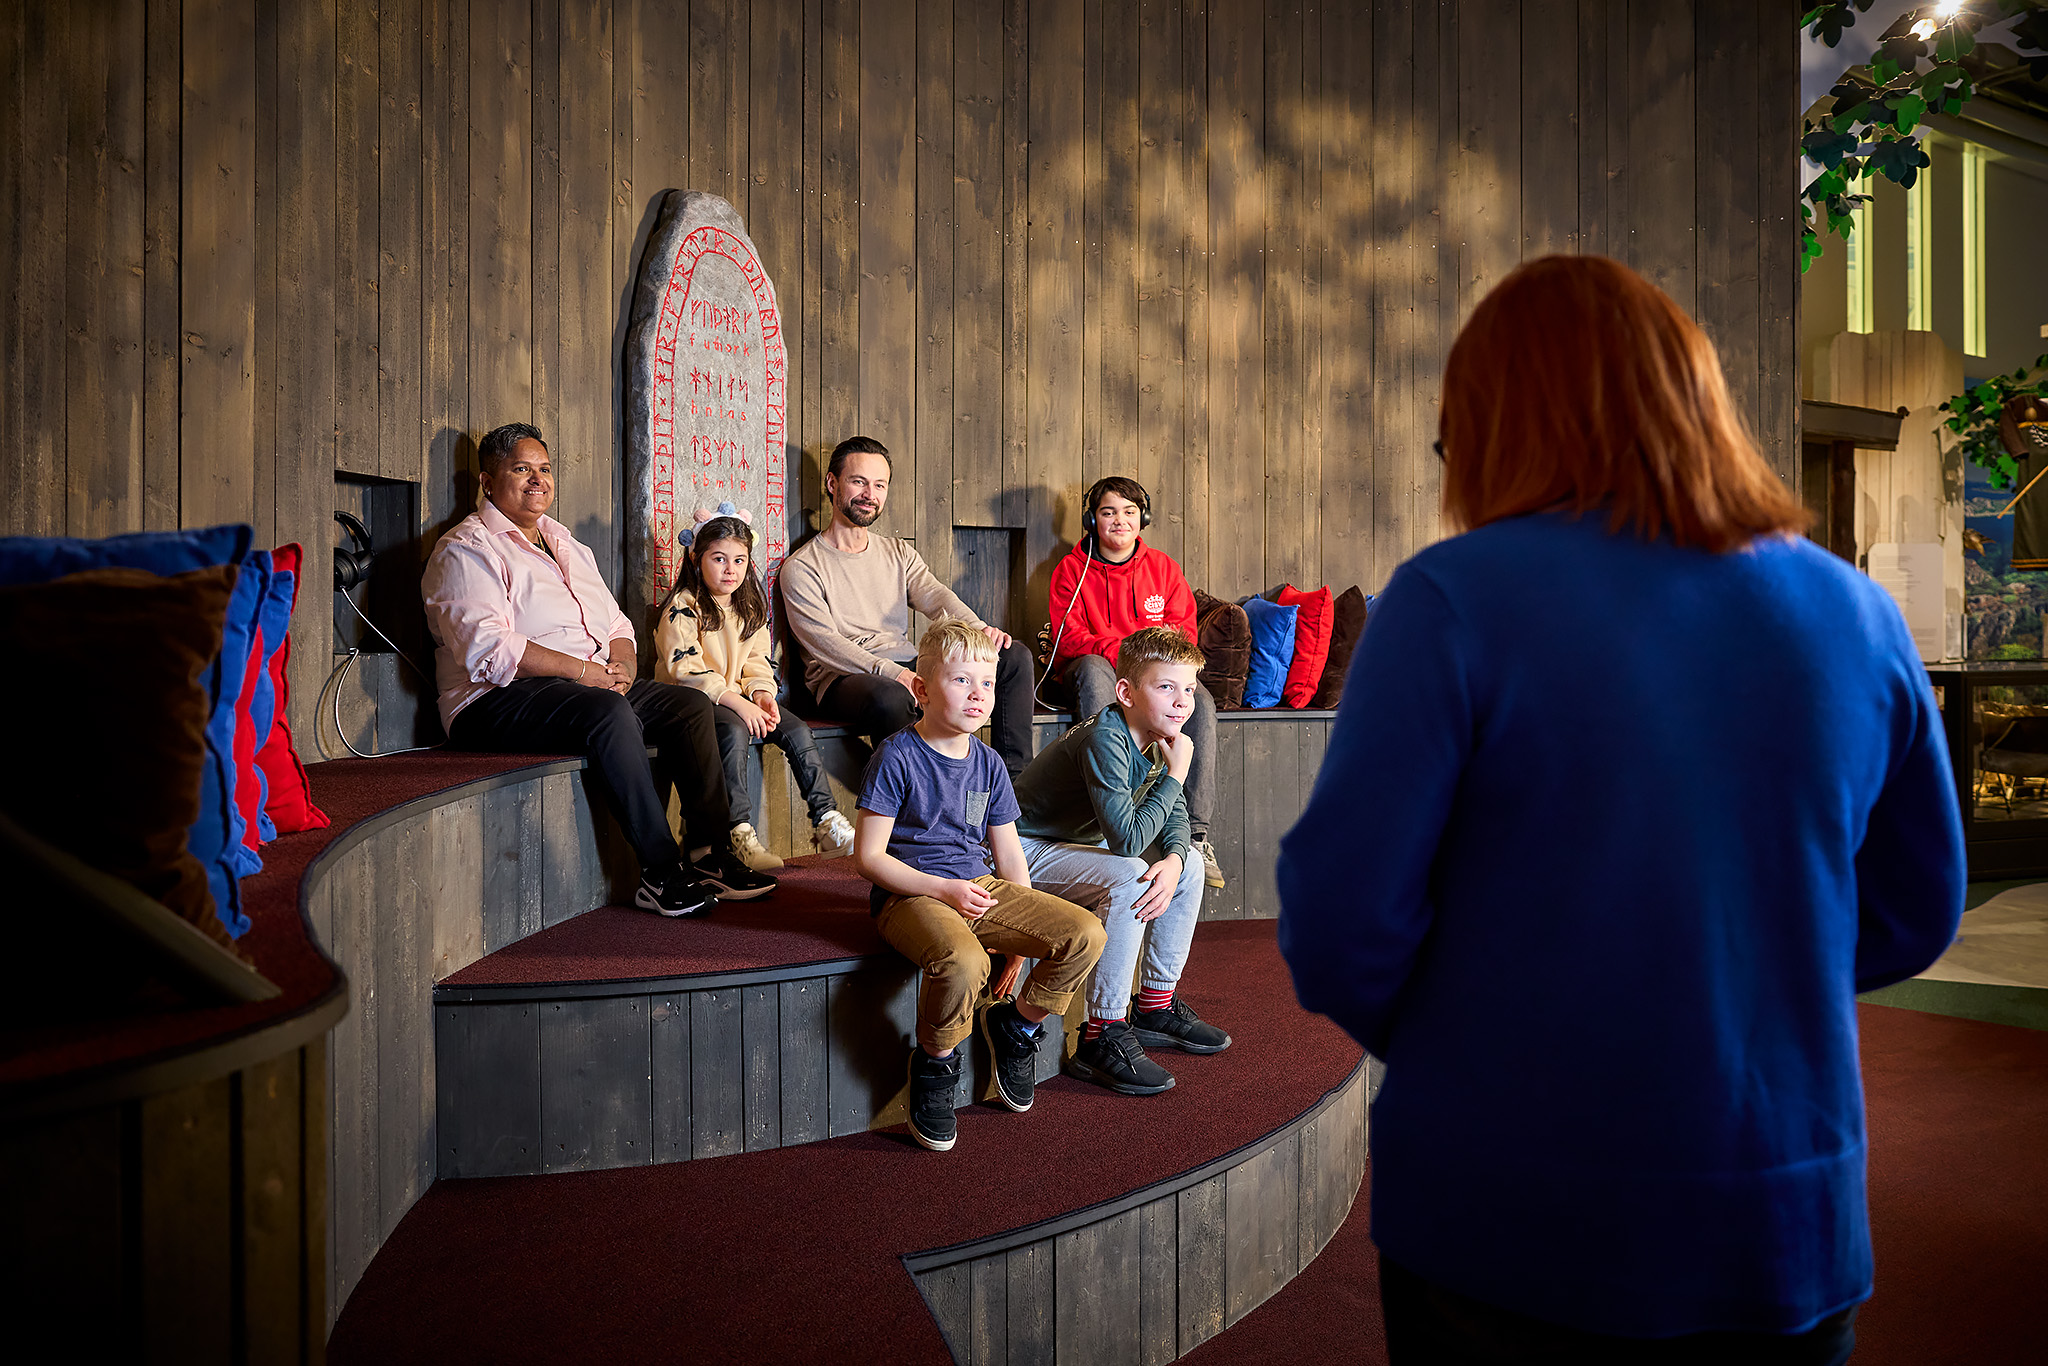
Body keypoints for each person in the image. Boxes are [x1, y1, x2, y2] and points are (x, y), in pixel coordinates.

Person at [1276, 256, 1964, 1365]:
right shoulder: (1854, 610)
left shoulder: (1453, 598)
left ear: (1503, 423)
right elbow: (1915, 908)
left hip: (1508, 1208)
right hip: (1785, 1213)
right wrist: (1736, 990)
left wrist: (1475, 1048)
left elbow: (1342, 921)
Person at [423, 422, 777, 917]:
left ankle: (707, 855)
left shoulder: (563, 541)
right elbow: (488, 649)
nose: (537, 480)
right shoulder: (467, 548)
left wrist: (624, 665)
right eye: (520, 469)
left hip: (588, 684)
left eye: (544, 469)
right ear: (487, 482)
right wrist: (585, 673)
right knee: (609, 711)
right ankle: (659, 873)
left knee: (692, 705)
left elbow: (615, 621)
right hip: (493, 699)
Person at [852, 620, 1108, 1153]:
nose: (977, 695)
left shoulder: (988, 763)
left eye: (987, 684)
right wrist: (943, 890)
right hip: (911, 895)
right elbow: (869, 859)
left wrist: (1019, 933)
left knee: (1084, 933)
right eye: (961, 681)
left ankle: (1017, 1026)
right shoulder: (896, 757)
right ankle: (935, 1062)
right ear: (921, 691)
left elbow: (1010, 853)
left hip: (981, 887)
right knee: (966, 963)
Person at [1013, 626, 1228, 1098]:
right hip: (1021, 849)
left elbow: (1172, 815)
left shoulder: (1155, 734)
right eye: (1166, 687)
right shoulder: (1107, 739)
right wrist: (1176, 774)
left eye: (1189, 689)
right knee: (1131, 875)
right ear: (1126, 692)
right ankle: (1100, 1034)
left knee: (1190, 863)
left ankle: (1154, 1004)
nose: (1182, 703)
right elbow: (1127, 841)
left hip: (1071, 846)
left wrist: (1174, 857)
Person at [782, 436, 1037, 776]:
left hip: (902, 664)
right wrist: (893, 673)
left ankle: (1016, 788)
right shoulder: (802, 567)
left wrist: (978, 630)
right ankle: (921, 800)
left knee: (1013, 657)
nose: (869, 495)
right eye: (858, 482)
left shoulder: (898, 553)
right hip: (844, 679)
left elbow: (936, 596)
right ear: (833, 483)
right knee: (892, 696)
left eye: (879, 485)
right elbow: (825, 644)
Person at [1047, 476, 1225, 889]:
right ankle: (1112, 803)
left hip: (1152, 671)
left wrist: (1148, 663)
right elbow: (1068, 636)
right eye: (1108, 512)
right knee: (1093, 669)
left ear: (1142, 518)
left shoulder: (1163, 568)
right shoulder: (1071, 569)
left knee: (1200, 697)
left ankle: (1195, 835)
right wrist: (1126, 652)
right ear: (1093, 520)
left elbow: (1183, 637)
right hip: (1096, 666)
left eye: (1129, 512)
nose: (1119, 521)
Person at [655, 506, 857, 871]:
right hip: (692, 702)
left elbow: (757, 660)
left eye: (739, 560)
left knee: (795, 728)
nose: (730, 569)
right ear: (695, 558)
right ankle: (739, 831)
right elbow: (685, 669)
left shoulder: (748, 608)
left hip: (736, 696)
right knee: (732, 730)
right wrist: (739, 703)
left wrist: (762, 694)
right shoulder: (683, 606)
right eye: (718, 559)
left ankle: (826, 820)